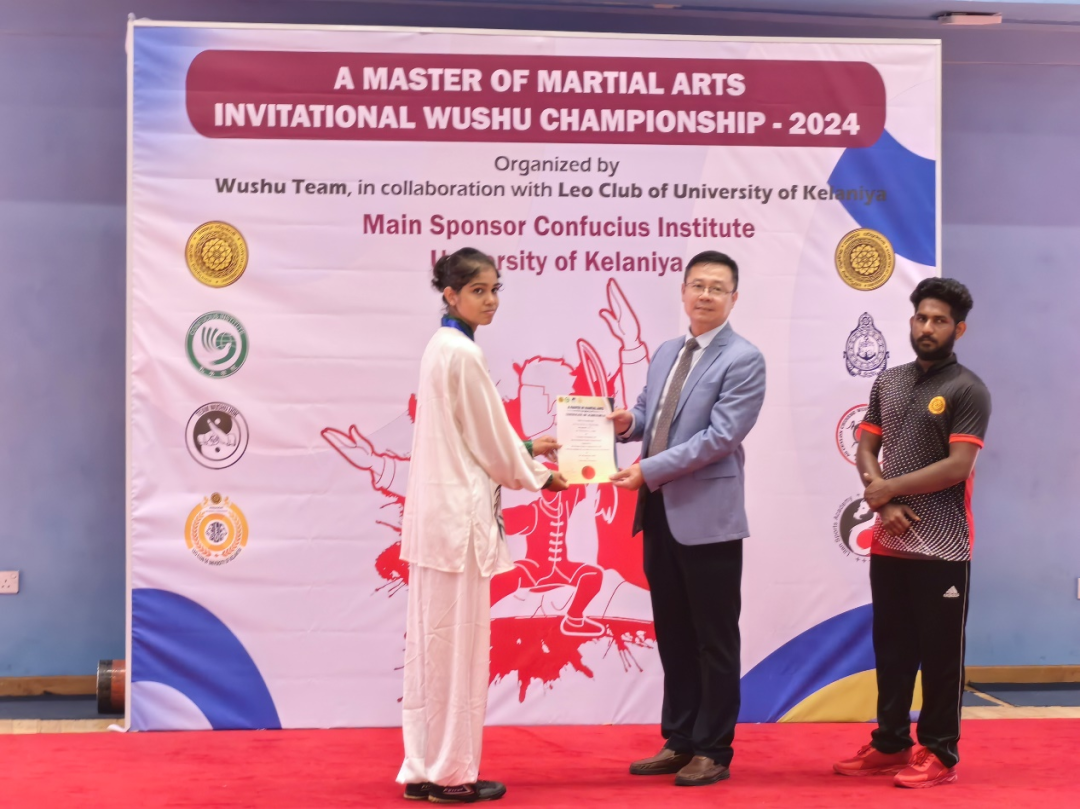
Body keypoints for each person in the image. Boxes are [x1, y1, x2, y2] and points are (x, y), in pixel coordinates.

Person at [395, 247, 569, 803]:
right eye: (478, 290)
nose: (491, 300)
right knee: (458, 655)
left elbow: (473, 435)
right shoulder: (463, 354)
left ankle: (424, 768)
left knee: (432, 654)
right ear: (450, 295)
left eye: (495, 289)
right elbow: (490, 445)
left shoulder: (441, 347)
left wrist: (525, 449)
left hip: (437, 522)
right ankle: (452, 775)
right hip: (457, 526)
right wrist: (540, 475)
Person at [609, 250, 766, 787]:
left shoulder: (744, 359)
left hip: (708, 519)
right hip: (658, 512)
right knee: (673, 632)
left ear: (733, 298)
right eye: (697, 285)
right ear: (682, 291)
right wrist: (626, 422)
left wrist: (648, 469)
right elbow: (651, 414)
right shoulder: (667, 352)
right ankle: (679, 740)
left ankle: (713, 749)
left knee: (713, 638)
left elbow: (719, 438)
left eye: (717, 288)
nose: (705, 295)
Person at [833, 277, 990, 789]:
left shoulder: (968, 389)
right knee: (893, 650)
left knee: (941, 657)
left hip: (944, 547)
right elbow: (865, 447)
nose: (927, 327)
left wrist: (886, 490)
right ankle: (891, 743)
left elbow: (958, 466)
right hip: (890, 542)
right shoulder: (889, 381)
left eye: (939, 320)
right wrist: (884, 499)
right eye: (922, 317)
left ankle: (940, 752)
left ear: (958, 329)